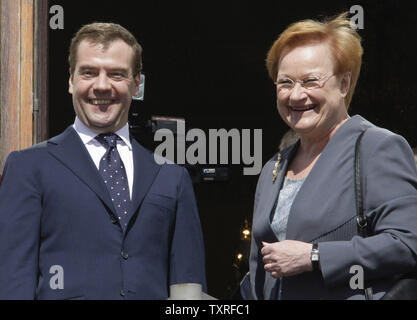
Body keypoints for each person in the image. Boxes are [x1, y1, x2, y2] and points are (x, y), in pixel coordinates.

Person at [0, 23, 206, 300]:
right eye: (88, 72)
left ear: (136, 84)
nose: (101, 85)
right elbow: (13, 280)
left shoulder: (172, 178)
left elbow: (188, 291)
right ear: (71, 81)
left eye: (116, 74)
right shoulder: (29, 167)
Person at [249, 12, 417, 300]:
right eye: (285, 82)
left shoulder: (376, 147)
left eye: (311, 81)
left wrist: (315, 256)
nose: (296, 95)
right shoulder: (273, 168)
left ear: (343, 85)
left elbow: (409, 242)